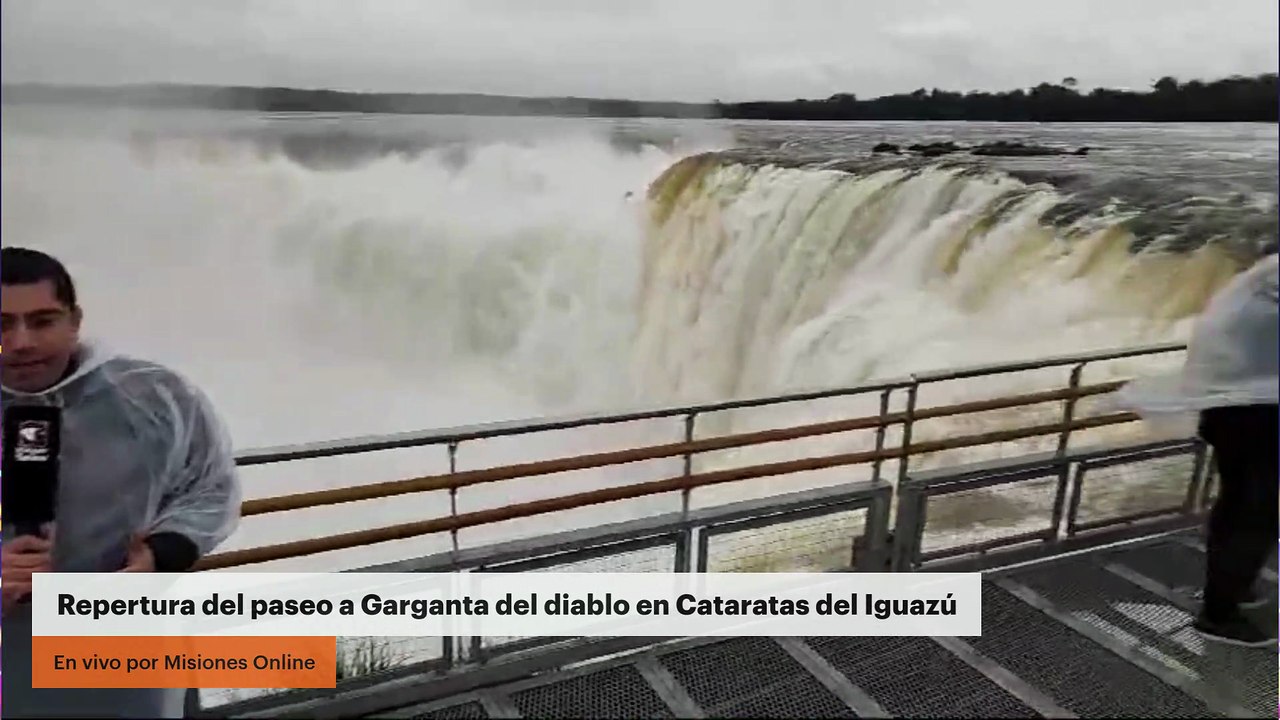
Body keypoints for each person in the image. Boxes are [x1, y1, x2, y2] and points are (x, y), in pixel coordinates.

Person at [1, 247, 243, 717]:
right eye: (1, 325)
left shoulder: (153, 397)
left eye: (43, 320)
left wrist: (158, 556)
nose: (22, 342)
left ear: (75, 321)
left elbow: (210, 488)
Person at [1116, 252, 1278, 648]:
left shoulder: (1264, 274)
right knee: (1256, 514)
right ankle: (1220, 615)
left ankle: (1228, 589)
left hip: (1228, 405)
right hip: (1256, 413)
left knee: (1236, 501)